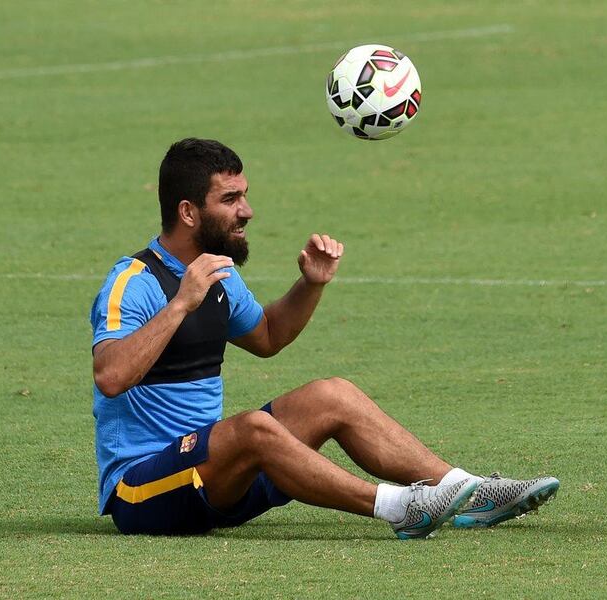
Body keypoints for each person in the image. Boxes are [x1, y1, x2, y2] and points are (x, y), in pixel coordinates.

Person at [90, 138, 559, 539]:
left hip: (217, 479)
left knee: (332, 394)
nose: (247, 211)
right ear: (188, 212)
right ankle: (400, 508)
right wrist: (179, 305)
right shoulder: (134, 281)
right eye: (230, 199)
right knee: (253, 427)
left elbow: (268, 336)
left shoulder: (219, 274)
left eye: (244, 195)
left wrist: (310, 284)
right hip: (143, 492)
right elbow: (110, 376)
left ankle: (469, 490)